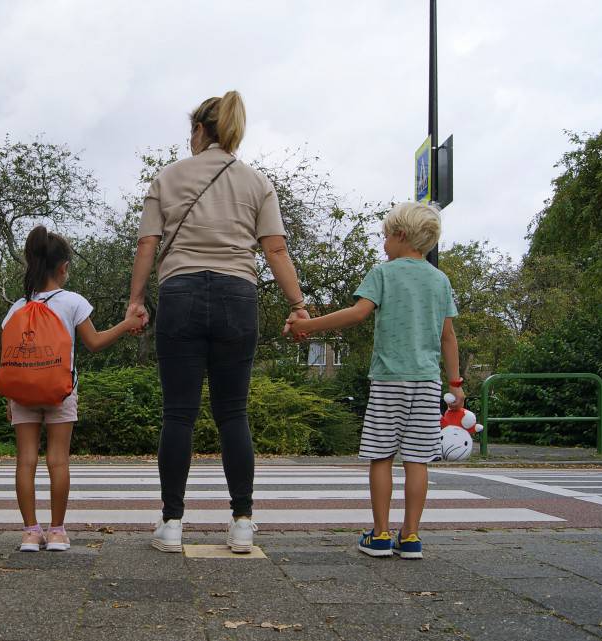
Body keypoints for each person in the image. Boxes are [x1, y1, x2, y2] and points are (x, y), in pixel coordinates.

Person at [126, 91, 308, 553]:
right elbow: (275, 250)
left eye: (191, 130)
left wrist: (136, 300)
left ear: (201, 130)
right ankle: (242, 521)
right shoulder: (256, 182)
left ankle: (171, 523)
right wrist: (298, 305)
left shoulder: (167, 177)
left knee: (178, 414)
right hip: (237, 296)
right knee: (233, 414)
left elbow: (148, 244)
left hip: (181, 293)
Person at [285, 201, 462, 559]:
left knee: (381, 457)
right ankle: (411, 537)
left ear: (400, 235)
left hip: (389, 379)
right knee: (417, 460)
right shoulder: (440, 280)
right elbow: (448, 336)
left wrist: (306, 325)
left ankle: (380, 535)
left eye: (385, 237)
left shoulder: (383, 273)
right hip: (427, 382)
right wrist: (455, 383)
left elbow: (357, 313)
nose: (383, 244)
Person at [2, 225, 145, 552]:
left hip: (22, 392)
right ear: (63, 267)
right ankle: (56, 532)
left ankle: (29, 532)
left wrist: (10, 397)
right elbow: (94, 343)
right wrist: (126, 324)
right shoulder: (73, 302)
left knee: (25, 461)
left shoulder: (16, 308)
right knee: (58, 461)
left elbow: (8, 357)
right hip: (61, 390)